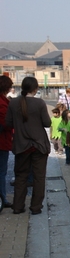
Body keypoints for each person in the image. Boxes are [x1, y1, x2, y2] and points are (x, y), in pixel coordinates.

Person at [5, 77, 51, 215]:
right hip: (39, 145)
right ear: (35, 89)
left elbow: (8, 123)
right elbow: (47, 123)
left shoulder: (13, 103)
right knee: (39, 177)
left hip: (21, 145)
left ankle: (18, 207)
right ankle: (36, 207)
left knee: (20, 176)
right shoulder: (39, 103)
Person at [0, 75, 14, 209]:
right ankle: (2, 199)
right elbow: (7, 123)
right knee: (1, 172)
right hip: (2, 142)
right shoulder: (3, 103)